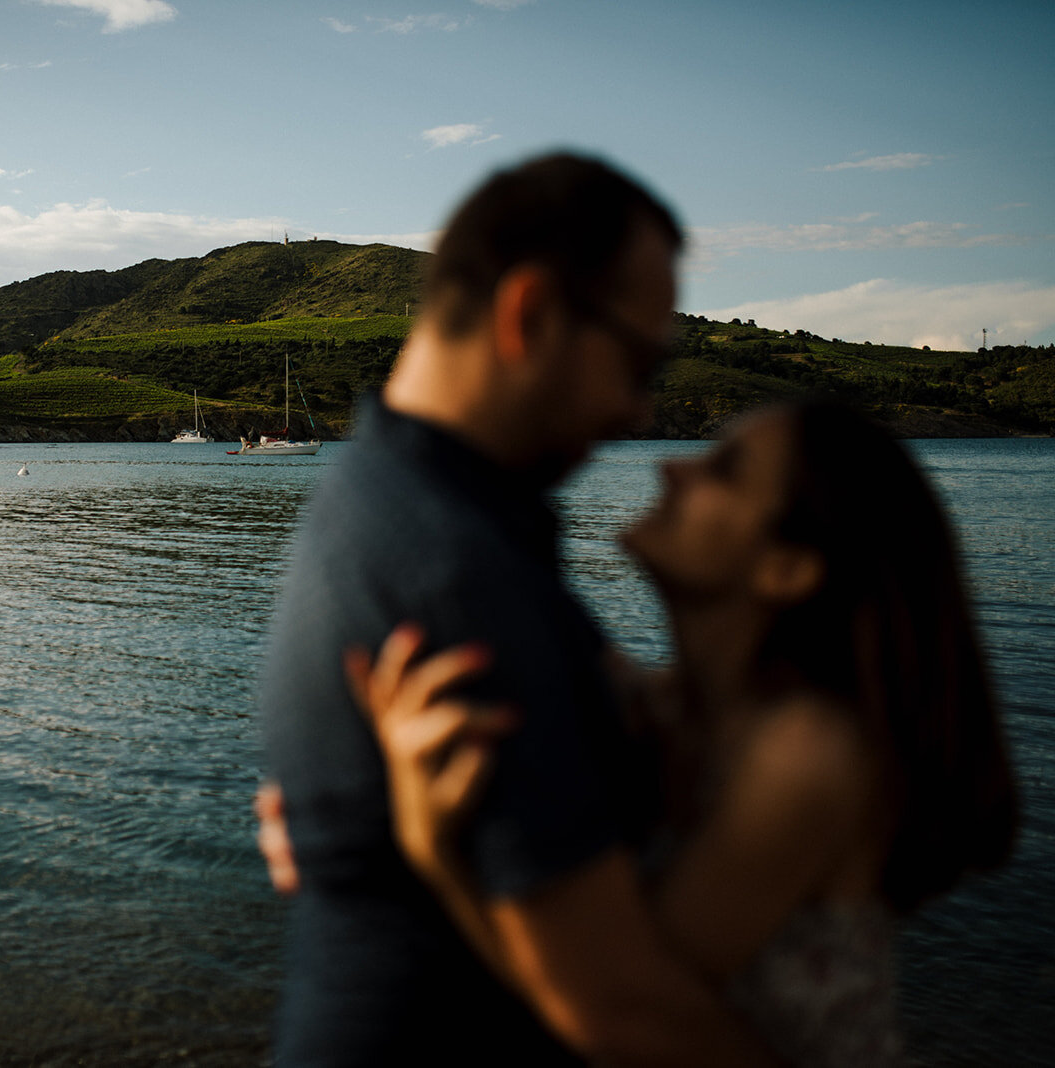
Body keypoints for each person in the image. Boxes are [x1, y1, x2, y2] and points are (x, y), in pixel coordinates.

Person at [259, 153, 780, 1065]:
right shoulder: (451, 576)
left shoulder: (385, 499)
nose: (637, 414)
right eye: (637, 361)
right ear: (530, 314)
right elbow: (624, 1014)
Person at [347, 401, 1019, 1065]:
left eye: (723, 470)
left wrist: (431, 851)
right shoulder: (655, 706)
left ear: (785, 567)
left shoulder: (807, 754)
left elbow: (622, 1021)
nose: (671, 467)